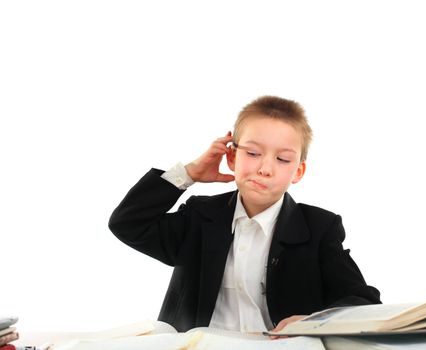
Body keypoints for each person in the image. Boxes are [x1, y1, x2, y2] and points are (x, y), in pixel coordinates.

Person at [108, 96, 381, 334]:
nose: (265, 168)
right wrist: (189, 173)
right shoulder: (201, 216)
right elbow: (128, 223)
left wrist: (314, 321)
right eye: (252, 153)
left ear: (298, 171)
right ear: (231, 158)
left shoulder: (319, 227)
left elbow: (362, 301)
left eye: (283, 159)